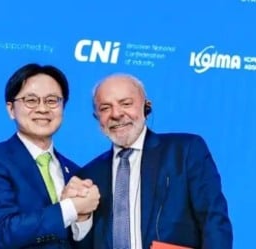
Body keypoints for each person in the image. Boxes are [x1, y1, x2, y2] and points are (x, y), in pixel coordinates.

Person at [76, 73, 233, 249]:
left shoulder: (185, 151)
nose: (116, 114)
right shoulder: (89, 174)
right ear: (97, 117)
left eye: (126, 103)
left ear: (146, 106)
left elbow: (213, 221)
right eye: (105, 108)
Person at [0, 63, 99, 248]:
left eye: (52, 100)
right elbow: (5, 231)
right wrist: (72, 207)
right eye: (31, 100)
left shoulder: (75, 173)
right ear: (11, 109)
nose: (42, 109)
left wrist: (83, 218)